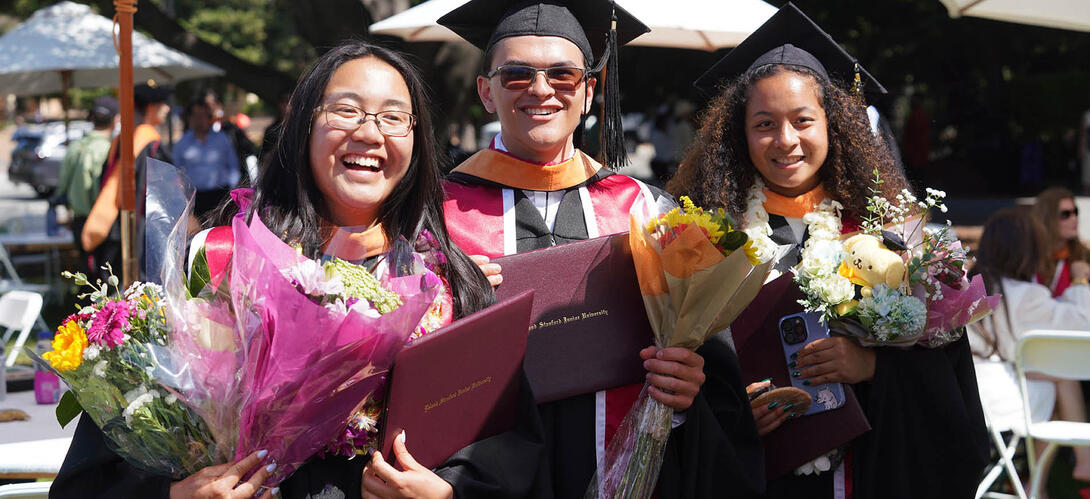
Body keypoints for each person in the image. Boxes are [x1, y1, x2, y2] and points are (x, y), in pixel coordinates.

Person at [50, 40, 543, 499]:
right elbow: (101, 466)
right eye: (346, 110)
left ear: (417, 141)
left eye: (394, 117)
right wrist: (178, 493)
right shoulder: (219, 264)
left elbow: (512, 444)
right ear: (305, 125)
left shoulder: (450, 285)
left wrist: (449, 490)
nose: (369, 133)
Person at [437, 1, 765, 497]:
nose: (542, 90)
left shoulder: (646, 211)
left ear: (589, 91)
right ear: (486, 92)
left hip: (628, 473)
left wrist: (687, 383)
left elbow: (713, 369)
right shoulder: (433, 216)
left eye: (564, 75)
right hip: (478, 477)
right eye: (517, 74)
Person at [670, 4, 988, 498]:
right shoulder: (707, 242)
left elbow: (950, 386)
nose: (786, 140)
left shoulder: (892, 236)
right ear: (740, 134)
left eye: (802, 120)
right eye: (764, 124)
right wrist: (735, 412)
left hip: (870, 475)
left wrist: (874, 368)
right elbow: (683, 372)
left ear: (832, 125)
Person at [967, 206, 1090, 485]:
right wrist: (1081, 280)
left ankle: (1040, 483)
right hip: (996, 401)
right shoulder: (1024, 295)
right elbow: (1082, 325)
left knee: (1053, 373)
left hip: (967, 392)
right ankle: (1043, 482)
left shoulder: (970, 285)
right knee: (1059, 375)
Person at [81, 81, 172, 279]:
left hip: (114, 226)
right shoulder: (149, 143)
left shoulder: (123, 138)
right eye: (162, 103)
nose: (167, 109)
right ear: (151, 107)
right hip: (140, 230)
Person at [54, 95, 118, 274]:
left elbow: (62, 186)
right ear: (115, 119)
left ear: (91, 117)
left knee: (86, 273)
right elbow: (100, 191)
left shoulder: (76, 146)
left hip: (78, 220)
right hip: (99, 222)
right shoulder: (106, 149)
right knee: (101, 278)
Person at [174, 98, 241, 218]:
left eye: (206, 115)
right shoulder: (182, 144)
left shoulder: (222, 139)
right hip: (196, 199)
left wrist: (231, 190)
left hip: (220, 195)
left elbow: (233, 166)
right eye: (199, 116)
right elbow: (176, 172)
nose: (204, 119)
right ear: (190, 119)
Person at [1032, 186, 1089, 297]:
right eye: (1065, 214)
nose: (1074, 218)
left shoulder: (1084, 257)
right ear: (1047, 218)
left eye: (1075, 212)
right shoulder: (1028, 259)